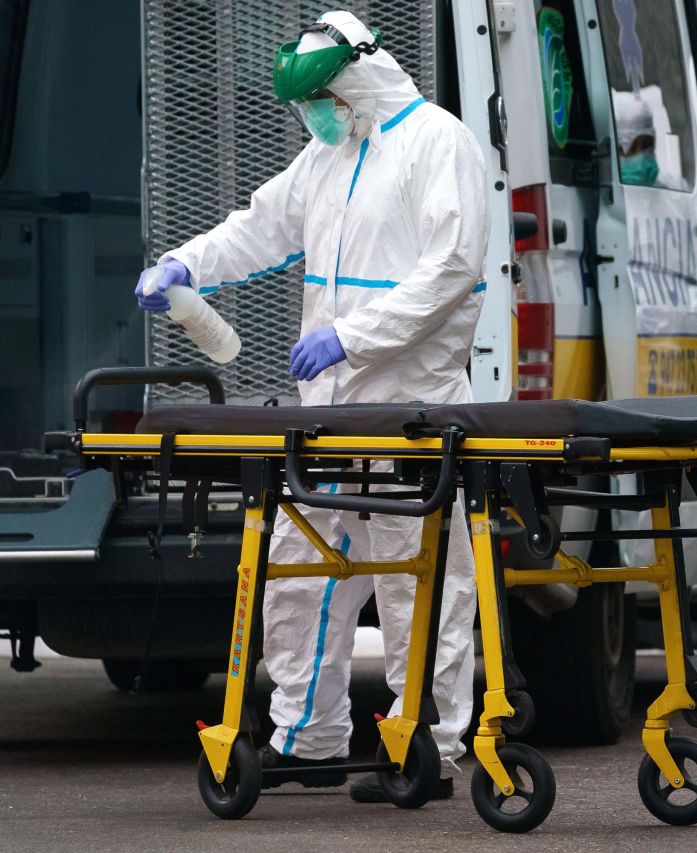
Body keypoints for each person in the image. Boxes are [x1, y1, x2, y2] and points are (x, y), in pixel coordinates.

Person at [134, 10, 490, 799]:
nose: (313, 116)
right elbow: (260, 228)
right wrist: (181, 264)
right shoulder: (330, 156)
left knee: (419, 582)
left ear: (356, 80)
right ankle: (310, 738)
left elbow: (451, 270)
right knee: (301, 575)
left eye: (320, 100)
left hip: (410, 405)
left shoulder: (439, 143)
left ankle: (422, 748)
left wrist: (351, 336)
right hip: (325, 411)